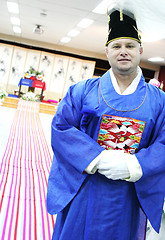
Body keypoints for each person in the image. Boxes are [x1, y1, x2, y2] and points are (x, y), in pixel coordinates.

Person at [46, 8, 165, 240]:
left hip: (128, 194)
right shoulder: (82, 91)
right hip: (85, 188)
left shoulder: (160, 101)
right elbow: (61, 128)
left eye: (130, 46)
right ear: (107, 51)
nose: (123, 52)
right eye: (116, 46)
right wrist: (97, 158)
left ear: (140, 50)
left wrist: (135, 165)